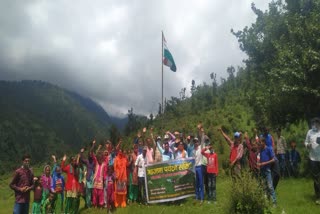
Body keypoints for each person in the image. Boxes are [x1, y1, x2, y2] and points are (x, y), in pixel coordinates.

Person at [304, 117, 320, 205]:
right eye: (313, 123)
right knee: (316, 178)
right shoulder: (310, 132)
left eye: (316, 123)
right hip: (313, 158)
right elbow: (305, 142)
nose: (314, 125)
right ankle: (318, 196)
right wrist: (308, 145)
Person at [258, 138, 277, 206]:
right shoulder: (261, 150)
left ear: (264, 142)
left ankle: (274, 203)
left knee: (270, 187)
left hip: (267, 170)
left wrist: (264, 163)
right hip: (262, 170)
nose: (259, 144)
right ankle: (265, 202)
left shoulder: (269, 149)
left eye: (260, 142)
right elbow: (261, 159)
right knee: (264, 187)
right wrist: (259, 164)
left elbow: (273, 159)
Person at [193, 137, 204, 203]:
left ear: (198, 142)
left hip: (200, 167)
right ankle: (197, 196)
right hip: (195, 167)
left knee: (201, 183)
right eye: (194, 142)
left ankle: (202, 197)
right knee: (196, 183)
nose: (195, 143)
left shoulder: (200, 148)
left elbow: (202, 139)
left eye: (196, 141)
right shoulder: (193, 151)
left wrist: (201, 131)